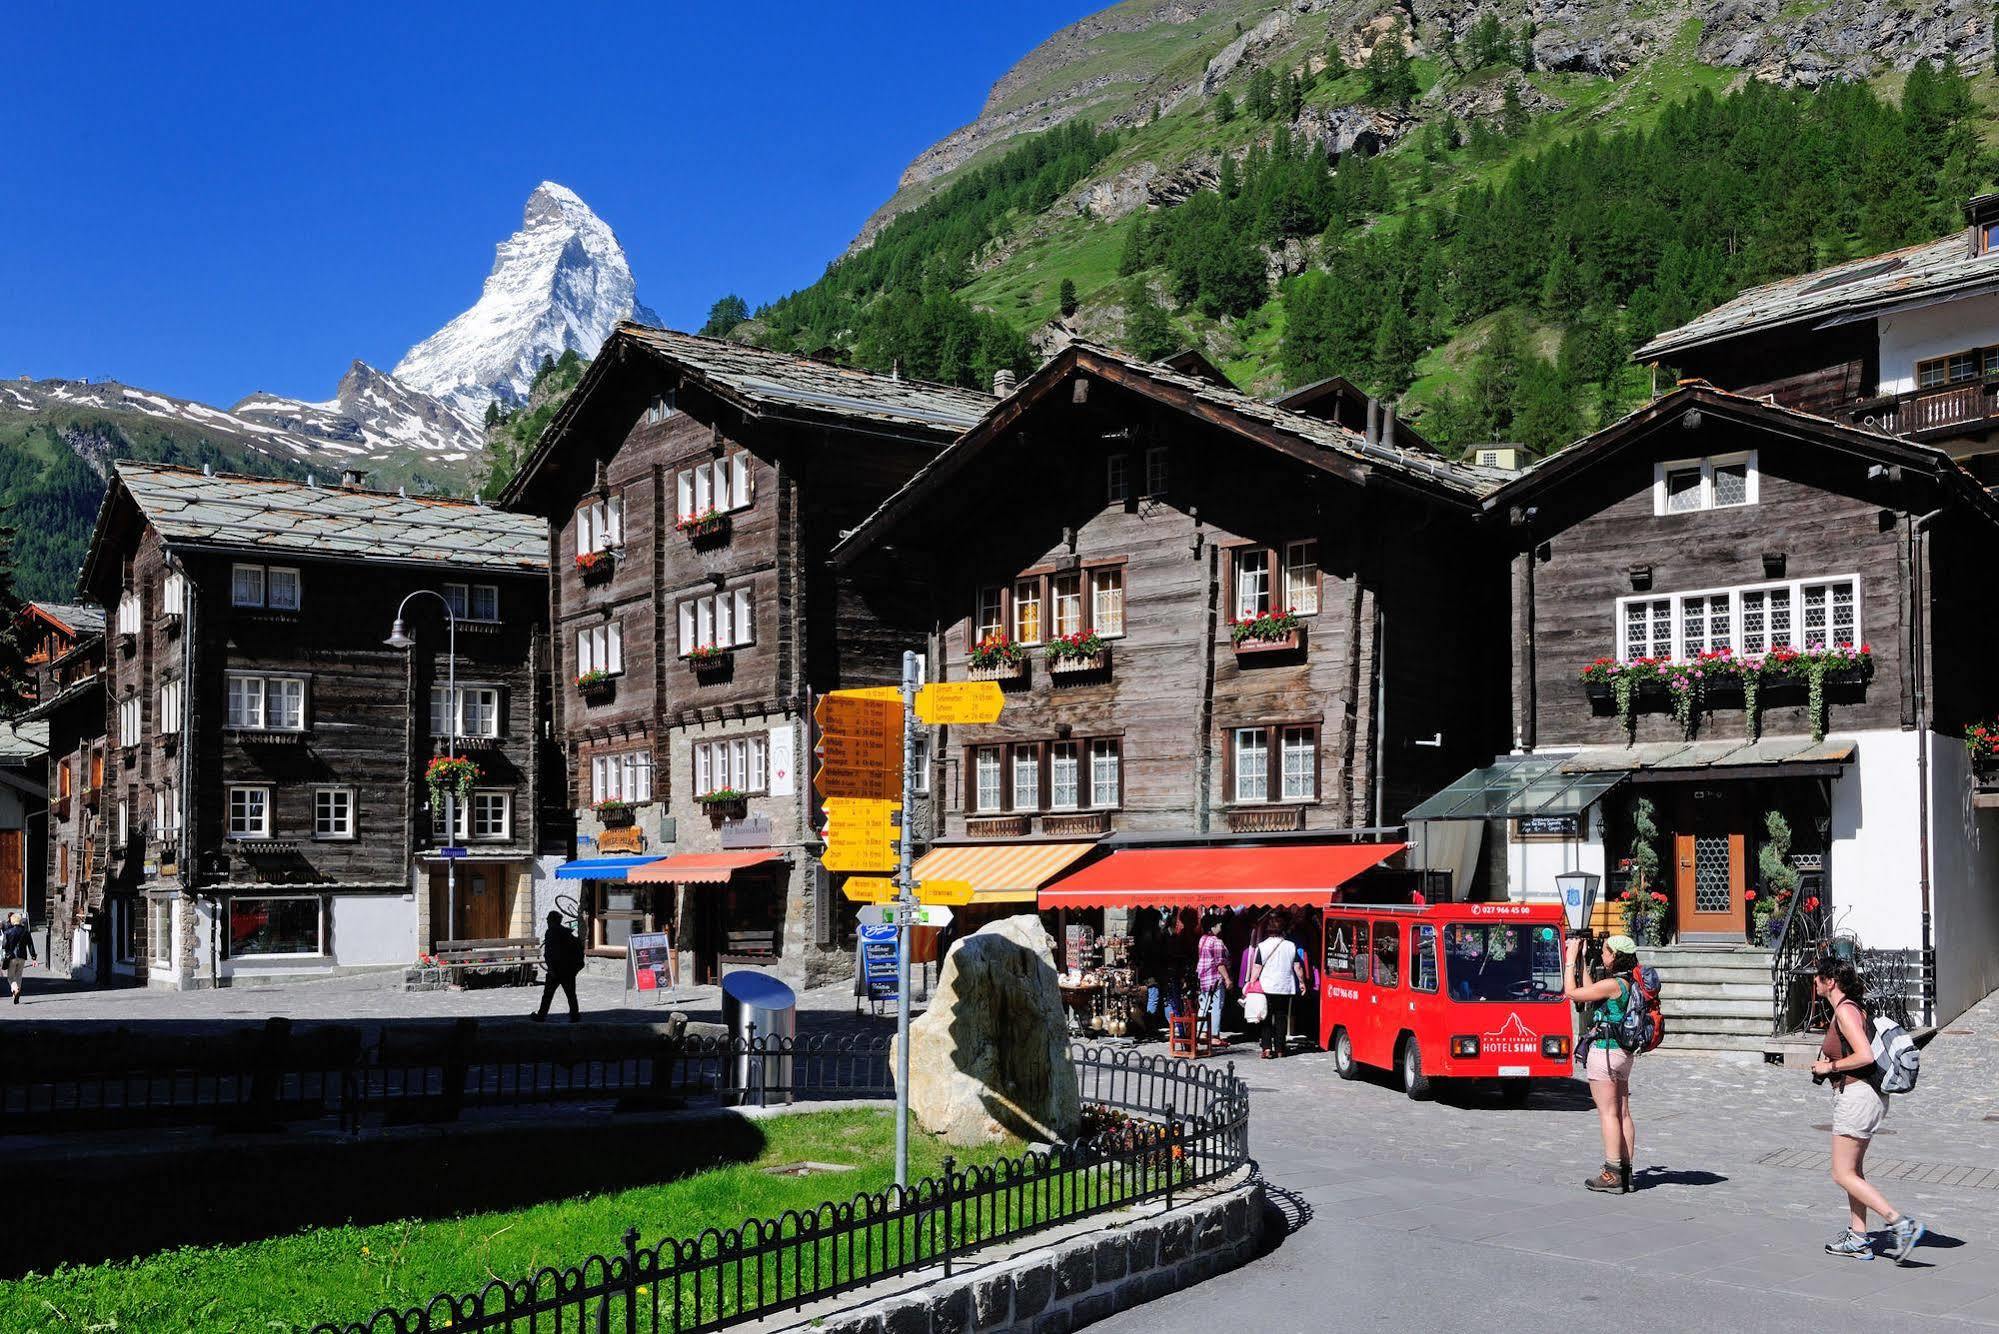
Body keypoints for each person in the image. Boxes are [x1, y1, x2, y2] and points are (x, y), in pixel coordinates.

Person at [1813, 957, 1925, 1262]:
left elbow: (1864, 1056)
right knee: (1854, 1171)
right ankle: (1858, 1238)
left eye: (1818, 977)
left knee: (1840, 1173)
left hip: (1858, 1098)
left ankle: (1901, 1224)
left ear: (1830, 982)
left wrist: (1829, 1066)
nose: (1814, 981)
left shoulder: (1846, 1011)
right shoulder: (1853, 1007)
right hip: (1865, 1097)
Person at [1563, 933, 1640, 1193]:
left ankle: (1611, 1172)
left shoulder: (1613, 984)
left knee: (1607, 1113)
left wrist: (1569, 961)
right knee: (1623, 1112)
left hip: (1605, 1052)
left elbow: (1573, 994)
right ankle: (1627, 1171)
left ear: (1615, 956)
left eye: (1606, 951)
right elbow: (1592, 996)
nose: (1604, 955)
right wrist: (1585, 962)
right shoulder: (1628, 982)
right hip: (1624, 1054)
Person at [1247, 913, 1307, 1059]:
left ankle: (1267, 1048)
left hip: (1267, 986)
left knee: (1266, 1017)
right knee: (1281, 1017)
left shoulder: (1262, 946)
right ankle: (1280, 1049)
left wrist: (1251, 982)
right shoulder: (1290, 946)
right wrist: (1302, 982)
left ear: (1268, 930)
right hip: (1285, 986)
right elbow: (1297, 967)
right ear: (1282, 930)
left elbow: (1257, 967)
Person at [531, 909, 583, 1023]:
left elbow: (549, 952)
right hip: (568, 969)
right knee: (571, 995)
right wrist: (576, 968)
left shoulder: (551, 933)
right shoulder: (567, 933)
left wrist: (551, 968)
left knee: (547, 995)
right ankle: (575, 1016)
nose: (547, 921)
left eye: (548, 919)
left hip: (556, 969)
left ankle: (541, 1015)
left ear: (552, 921)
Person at [1195, 915, 1233, 1044]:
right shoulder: (1216, 941)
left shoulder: (1203, 939)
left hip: (1204, 976)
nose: (1221, 926)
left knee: (1204, 1006)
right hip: (1214, 977)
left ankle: (1202, 1032)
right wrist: (1227, 979)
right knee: (1217, 1006)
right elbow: (1219, 963)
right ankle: (1214, 1035)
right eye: (1219, 924)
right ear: (1213, 926)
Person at [2, 913, 36, 1005]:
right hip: (22, 957)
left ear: (12, 921)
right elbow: (30, 945)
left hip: (12, 957)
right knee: (19, 976)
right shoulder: (26, 931)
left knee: (10, 977)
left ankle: (15, 989)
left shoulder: (8, 932)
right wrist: (34, 957)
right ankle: (16, 994)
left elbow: (4, 946)